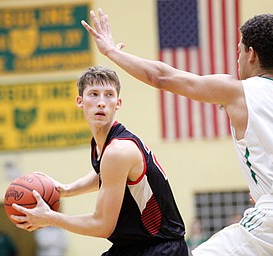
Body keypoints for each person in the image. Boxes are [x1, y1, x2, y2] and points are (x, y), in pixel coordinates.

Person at [81, 8, 273, 255]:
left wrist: (111, 51)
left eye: (239, 51)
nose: (238, 59)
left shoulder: (240, 91)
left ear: (251, 54)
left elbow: (162, 77)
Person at [11, 66, 188, 255]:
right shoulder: (103, 146)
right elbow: (106, 174)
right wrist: (66, 190)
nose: (102, 102)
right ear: (80, 101)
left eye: (109, 95)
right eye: (94, 94)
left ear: (118, 103)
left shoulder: (118, 151)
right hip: (133, 246)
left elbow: (102, 225)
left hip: (161, 247)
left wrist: (50, 218)